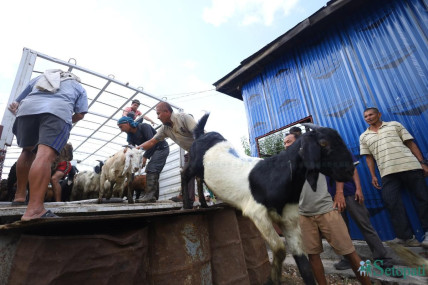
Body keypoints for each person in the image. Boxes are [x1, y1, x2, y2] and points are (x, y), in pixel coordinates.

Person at [284, 136, 372, 284]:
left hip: (327, 210)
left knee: (350, 253)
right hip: (304, 216)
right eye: (284, 143)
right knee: (313, 256)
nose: (286, 145)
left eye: (289, 141)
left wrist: (339, 193)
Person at [8, 69, 88, 220]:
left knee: (27, 152)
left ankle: (19, 197)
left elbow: (15, 104)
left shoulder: (40, 78)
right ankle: (35, 210)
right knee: (44, 156)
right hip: (57, 112)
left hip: (26, 111)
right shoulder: (78, 87)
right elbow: (80, 113)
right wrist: (65, 118)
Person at [359, 107, 428, 248]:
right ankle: (406, 237)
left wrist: (422, 163)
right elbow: (369, 158)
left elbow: (410, 143)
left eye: (371, 114)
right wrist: (373, 175)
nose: (368, 117)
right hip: (387, 172)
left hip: (410, 166)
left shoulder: (394, 125)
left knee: (423, 198)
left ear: (379, 114)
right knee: (391, 202)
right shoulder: (364, 136)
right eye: (366, 116)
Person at [327, 159, 396, 271]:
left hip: (350, 193)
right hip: (331, 198)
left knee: (365, 225)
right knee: (341, 230)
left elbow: (353, 169)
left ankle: (383, 259)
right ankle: (347, 259)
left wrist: (358, 189)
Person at [137, 102, 198, 207]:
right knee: (186, 174)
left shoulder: (184, 118)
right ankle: (187, 197)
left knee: (206, 174)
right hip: (191, 151)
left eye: (158, 113)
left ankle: (217, 195)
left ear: (167, 111)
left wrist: (198, 154)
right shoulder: (164, 129)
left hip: (205, 147)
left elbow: (199, 135)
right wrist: (136, 149)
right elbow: (152, 142)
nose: (157, 117)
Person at [117, 116, 169, 202]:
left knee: (151, 168)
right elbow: (132, 149)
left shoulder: (144, 127)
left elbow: (152, 143)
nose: (121, 130)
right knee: (152, 169)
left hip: (161, 148)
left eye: (121, 127)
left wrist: (145, 157)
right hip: (151, 151)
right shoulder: (130, 136)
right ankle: (152, 196)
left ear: (127, 123)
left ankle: (150, 196)